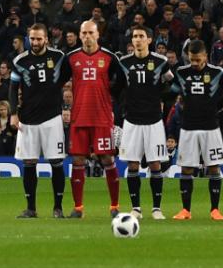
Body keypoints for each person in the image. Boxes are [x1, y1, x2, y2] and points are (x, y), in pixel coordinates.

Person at [60, 20, 122, 218]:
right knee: (77, 160)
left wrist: (109, 99)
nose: (87, 37)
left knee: (107, 158)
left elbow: (121, 82)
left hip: (102, 118)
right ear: (79, 35)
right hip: (79, 116)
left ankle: (114, 206)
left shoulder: (109, 58)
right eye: (84, 33)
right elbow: (59, 82)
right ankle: (78, 208)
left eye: (90, 33)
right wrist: (65, 108)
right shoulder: (71, 58)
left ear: (97, 35)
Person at [9, 24, 68, 218]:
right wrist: (13, 113)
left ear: (46, 39)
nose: (35, 42)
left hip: (52, 118)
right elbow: (12, 88)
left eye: (39, 39)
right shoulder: (20, 60)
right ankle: (31, 208)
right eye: (32, 39)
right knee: (29, 162)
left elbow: (68, 76)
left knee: (56, 162)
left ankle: (58, 208)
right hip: (28, 118)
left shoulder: (58, 57)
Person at [115, 26, 173, 220]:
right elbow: (117, 88)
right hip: (131, 119)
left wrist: (160, 99)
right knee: (132, 165)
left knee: (155, 164)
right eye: (134, 36)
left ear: (149, 40)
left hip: (154, 120)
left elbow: (170, 84)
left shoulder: (161, 62)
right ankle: (136, 208)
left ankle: (156, 209)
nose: (137, 40)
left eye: (141, 36)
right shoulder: (124, 63)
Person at [172, 40, 223, 221]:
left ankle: (215, 209)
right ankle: (185, 210)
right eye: (192, 59)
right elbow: (173, 91)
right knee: (186, 168)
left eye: (198, 59)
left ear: (205, 56)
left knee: (213, 168)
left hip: (210, 127)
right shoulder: (181, 72)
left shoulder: (217, 72)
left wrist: (216, 105)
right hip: (188, 127)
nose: (195, 63)